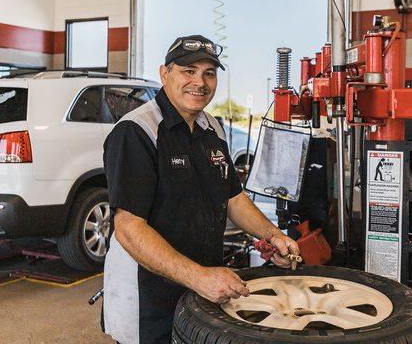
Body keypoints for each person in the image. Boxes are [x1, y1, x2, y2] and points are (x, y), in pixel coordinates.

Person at [101, 35, 300, 344]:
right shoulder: (138, 131)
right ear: (165, 74)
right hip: (147, 296)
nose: (200, 82)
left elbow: (233, 197)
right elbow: (128, 228)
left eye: (209, 73)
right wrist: (200, 277)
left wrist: (272, 236)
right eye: (188, 71)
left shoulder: (212, 128)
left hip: (202, 283)